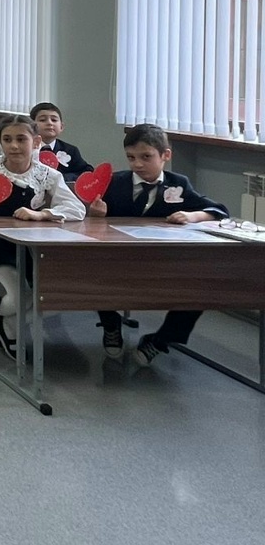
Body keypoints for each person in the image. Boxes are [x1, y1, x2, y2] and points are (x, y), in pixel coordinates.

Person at [0, 114, 85, 360]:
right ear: (0, 143)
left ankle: (4, 323)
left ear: (36, 141)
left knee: (54, 296)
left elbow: (77, 209)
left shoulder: (48, 175)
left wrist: (42, 214)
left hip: (31, 247)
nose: (14, 146)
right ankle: (4, 318)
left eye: (21, 139)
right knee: (21, 295)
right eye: (7, 140)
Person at [89, 124, 229, 366]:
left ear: (166, 155)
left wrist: (193, 215)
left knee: (200, 287)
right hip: (117, 259)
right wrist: (96, 215)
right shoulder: (114, 183)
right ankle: (111, 324)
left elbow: (219, 211)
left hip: (164, 261)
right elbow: (88, 223)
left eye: (146, 157)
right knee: (91, 272)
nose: (137, 164)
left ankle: (161, 339)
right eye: (131, 158)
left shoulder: (179, 184)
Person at [29, 102, 93, 182]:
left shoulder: (70, 150)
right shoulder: (26, 149)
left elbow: (86, 171)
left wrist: (62, 178)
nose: (49, 123)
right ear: (31, 126)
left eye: (54, 120)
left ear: (61, 127)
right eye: (42, 120)